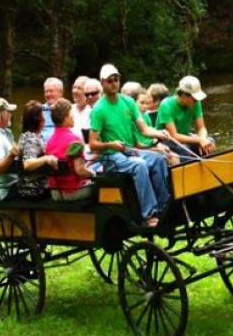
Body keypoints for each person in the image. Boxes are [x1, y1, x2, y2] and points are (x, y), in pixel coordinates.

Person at [89, 63, 171, 227]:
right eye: (110, 80)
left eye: (116, 79)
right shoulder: (98, 109)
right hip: (111, 156)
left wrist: (159, 133)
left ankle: (164, 208)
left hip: (130, 152)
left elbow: (145, 129)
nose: (114, 83)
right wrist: (110, 144)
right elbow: (92, 144)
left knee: (159, 159)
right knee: (140, 165)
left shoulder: (128, 102)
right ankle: (149, 215)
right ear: (103, 83)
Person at [45, 98, 96, 201]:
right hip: (71, 192)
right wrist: (93, 173)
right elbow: (80, 170)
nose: (73, 116)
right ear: (65, 118)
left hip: (55, 193)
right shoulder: (75, 140)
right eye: (71, 114)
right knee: (102, 186)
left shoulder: (49, 142)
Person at [156, 75, 216, 158]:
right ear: (184, 94)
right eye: (194, 98)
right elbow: (174, 136)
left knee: (210, 142)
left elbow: (202, 128)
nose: (196, 101)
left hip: (185, 137)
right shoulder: (166, 105)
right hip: (167, 140)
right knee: (184, 149)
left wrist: (203, 140)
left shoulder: (196, 103)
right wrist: (199, 140)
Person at [16, 100, 58, 199]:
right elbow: (28, 164)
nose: (45, 118)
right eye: (42, 115)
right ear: (37, 119)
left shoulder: (36, 136)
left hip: (38, 188)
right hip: (34, 191)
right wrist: (46, 158)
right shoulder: (29, 138)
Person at [42, 77, 64, 142]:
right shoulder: (39, 111)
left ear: (61, 92)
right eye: (46, 91)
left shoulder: (69, 110)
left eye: (51, 91)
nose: (48, 94)